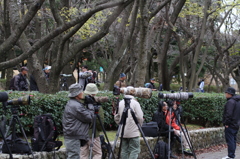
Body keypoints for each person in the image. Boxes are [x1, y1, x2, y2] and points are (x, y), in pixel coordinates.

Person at [62, 83, 94, 159]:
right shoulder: (76, 106)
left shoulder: (72, 103)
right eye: (81, 91)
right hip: (73, 137)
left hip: (72, 135)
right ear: (77, 94)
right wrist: (90, 105)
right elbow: (89, 117)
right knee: (74, 157)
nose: (82, 93)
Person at [114, 87, 143, 159]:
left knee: (124, 150)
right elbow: (140, 117)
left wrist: (121, 124)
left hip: (123, 131)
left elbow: (116, 117)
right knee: (135, 150)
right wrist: (138, 126)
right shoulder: (135, 103)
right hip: (133, 131)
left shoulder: (120, 102)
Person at [80, 83, 104, 159]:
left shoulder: (79, 103)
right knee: (97, 153)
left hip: (81, 132)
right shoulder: (96, 105)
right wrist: (99, 129)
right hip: (92, 133)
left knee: (83, 154)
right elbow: (99, 121)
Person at [222, 87, 240, 159]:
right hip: (236, 123)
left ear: (230, 94)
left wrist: (226, 123)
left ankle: (231, 155)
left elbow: (228, 114)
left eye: (226, 93)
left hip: (230, 125)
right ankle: (232, 154)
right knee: (233, 140)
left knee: (230, 140)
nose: (225, 94)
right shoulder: (238, 101)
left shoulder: (230, 102)